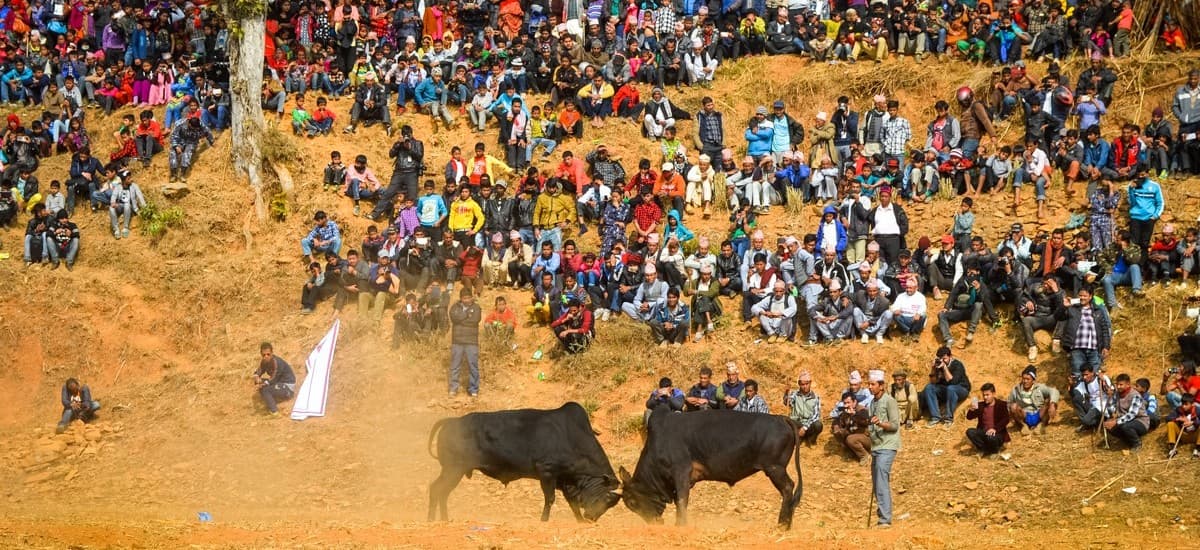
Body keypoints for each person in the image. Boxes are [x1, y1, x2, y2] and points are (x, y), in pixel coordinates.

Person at [867, 369, 901, 528]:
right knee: (877, 482)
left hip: (887, 446)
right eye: (869, 384)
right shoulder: (872, 402)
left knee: (881, 482)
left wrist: (880, 423)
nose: (870, 387)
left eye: (873, 384)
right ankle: (882, 515)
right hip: (876, 446)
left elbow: (894, 425)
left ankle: (885, 519)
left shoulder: (889, 401)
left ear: (881, 386)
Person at [1057, 285, 1111, 380]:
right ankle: (1079, 394)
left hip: (1094, 349)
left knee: (1094, 376)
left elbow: (1105, 330)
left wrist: (1106, 346)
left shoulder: (1098, 311)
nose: (1082, 298)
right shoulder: (1072, 309)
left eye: (1085, 296)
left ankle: (1093, 395)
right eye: (1080, 295)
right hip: (1077, 348)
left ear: (1090, 296)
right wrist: (1064, 307)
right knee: (1077, 375)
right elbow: (1059, 317)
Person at [922, 346, 971, 426]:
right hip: (947, 390)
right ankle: (935, 417)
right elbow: (933, 382)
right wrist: (933, 369)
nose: (943, 361)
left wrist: (944, 368)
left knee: (951, 388)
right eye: (941, 359)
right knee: (929, 387)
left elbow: (953, 382)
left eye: (944, 358)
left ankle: (948, 418)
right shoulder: (939, 364)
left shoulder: (957, 365)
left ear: (950, 356)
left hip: (961, 389)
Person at [448, 288, 482, 397]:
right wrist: (467, 314)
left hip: (471, 341)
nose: (466, 300)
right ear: (460, 298)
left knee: (473, 365)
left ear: (472, 297)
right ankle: (453, 388)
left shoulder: (476, 308)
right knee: (455, 365)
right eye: (464, 298)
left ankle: (474, 389)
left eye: (468, 297)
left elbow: (475, 321)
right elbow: (454, 319)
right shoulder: (454, 308)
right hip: (457, 341)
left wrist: (461, 319)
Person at [1008, 365, 1060, 436]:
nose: (1025, 381)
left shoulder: (1039, 388)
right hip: (1025, 415)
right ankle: (1023, 426)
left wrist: (1052, 404)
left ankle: (1041, 425)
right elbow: (1009, 403)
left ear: (1033, 380)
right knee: (1013, 406)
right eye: (1023, 379)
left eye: (1028, 379)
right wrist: (1010, 416)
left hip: (1039, 414)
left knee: (1049, 401)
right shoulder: (1016, 389)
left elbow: (1054, 391)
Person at [1103, 373, 1150, 451]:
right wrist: (1110, 398)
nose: (1118, 387)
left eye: (1121, 384)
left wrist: (1116, 422)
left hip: (1140, 421)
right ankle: (1127, 440)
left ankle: (1137, 443)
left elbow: (1132, 414)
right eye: (1117, 384)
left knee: (1126, 427)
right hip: (1124, 420)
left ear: (1128, 384)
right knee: (1109, 426)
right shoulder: (1117, 394)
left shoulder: (1135, 395)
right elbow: (1112, 409)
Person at [965, 383, 1011, 457]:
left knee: (991, 437)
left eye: (987, 395)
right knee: (970, 432)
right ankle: (983, 449)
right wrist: (971, 410)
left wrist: (995, 429)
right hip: (984, 432)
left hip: (997, 434)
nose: (985, 397)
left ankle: (994, 451)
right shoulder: (980, 405)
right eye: (984, 395)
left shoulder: (1001, 404)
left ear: (993, 394)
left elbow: (1006, 419)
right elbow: (969, 417)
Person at [253, 343, 296, 417]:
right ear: (261, 354)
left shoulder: (277, 362)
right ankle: (272, 402)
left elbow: (274, 378)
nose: (266, 356)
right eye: (264, 355)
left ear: (272, 353)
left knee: (265, 389)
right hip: (278, 383)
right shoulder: (264, 362)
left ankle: (274, 412)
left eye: (268, 354)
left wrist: (263, 384)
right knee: (261, 384)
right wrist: (256, 377)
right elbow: (258, 372)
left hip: (287, 387)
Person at [168, 116, 215, 184]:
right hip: (179, 141)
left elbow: (208, 132)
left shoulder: (200, 124)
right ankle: (173, 175)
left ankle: (182, 174)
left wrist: (212, 142)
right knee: (173, 154)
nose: (195, 129)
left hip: (192, 142)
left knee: (187, 154)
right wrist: (176, 146)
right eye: (193, 128)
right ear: (189, 124)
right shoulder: (179, 124)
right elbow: (173, 136)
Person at [784, 371, 823, 445]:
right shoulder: (795, 394)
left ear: (810, 383)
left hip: (808, 424)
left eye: (807, 384)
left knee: (818, 425)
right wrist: (786, 392)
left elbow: (816, 416)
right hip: (796, 422)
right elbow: (787, 403)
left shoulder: (816, 397)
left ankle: (811, 438)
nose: (805, 386)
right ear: (799, 384)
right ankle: (799, 437)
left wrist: (804, 428)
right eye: (802, 384)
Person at [1072, 365, 1111, 433]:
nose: (1084, 377)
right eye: (1083, 375)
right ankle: (1088, 422)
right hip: (1092, 406)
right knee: (1076, 399)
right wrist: (1072, 385)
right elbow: (1076, 393)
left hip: (1102, 407)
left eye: (1086, 375)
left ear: (1092, 373)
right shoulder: (1083, 383)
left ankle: (1091, 422)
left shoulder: (1101, 378)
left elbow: (1111, 393)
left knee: (1086, 420)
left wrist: (1104, 383)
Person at [1166, 393, 1200, 458]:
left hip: (1195, 435)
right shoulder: (1178, 410)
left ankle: (1198, 449)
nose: (1184, 406)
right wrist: (1178, 419)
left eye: (1186, 404)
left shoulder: (1198, 410)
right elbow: (1168, 418)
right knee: (1170, 424)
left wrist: (1193, 422)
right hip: (1182, 435)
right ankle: (1172, 448)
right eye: (1183, 404)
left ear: (1192, 404)